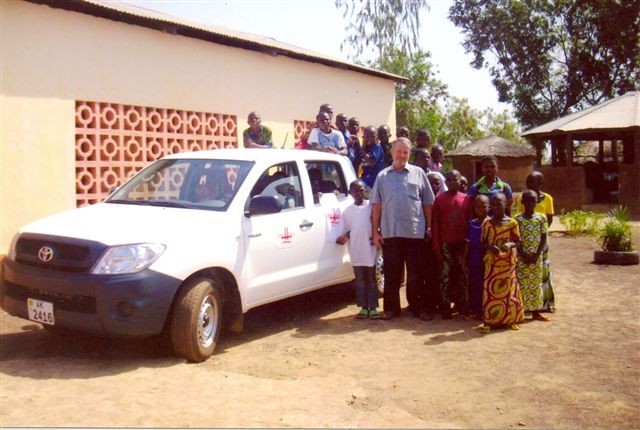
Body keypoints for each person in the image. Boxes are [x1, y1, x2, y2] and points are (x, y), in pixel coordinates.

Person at [371, 137, 435, 320]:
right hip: (391, 232)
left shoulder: (418, 173)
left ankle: (416, 307)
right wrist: (375, 232)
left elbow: (428, 204)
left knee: (415, 274)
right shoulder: (382, 176)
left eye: (405, 152)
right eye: (398, 151)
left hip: (414, 232)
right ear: (392, 152)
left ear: (409, 154)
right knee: (392, 273)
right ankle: (391, 309)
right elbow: (376, 206)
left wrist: (429, 227)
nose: (401, 155)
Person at [478, 193, 525, 333]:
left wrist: (509, 244)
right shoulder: (487, 223)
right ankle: (489, 321)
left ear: (506, 204)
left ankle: (510, 319)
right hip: (492, 263)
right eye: (493, 204)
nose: (496, 207)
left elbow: (518, 241)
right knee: (490, 291)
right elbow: (482, 243)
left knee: (509, 291)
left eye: (499, 204)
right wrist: (490, 248)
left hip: (507, 263)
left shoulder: (512, 223)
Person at [336, 180, 381, 319]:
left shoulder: (370, 207)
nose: (359, 193)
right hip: (356, 249)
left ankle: (373, 307)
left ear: (365, 191)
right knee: (360, 280)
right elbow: (349, 229)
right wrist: (345, 237)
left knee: (371, 279)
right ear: (350, 193)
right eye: (355, 190)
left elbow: (377, 224)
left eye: (361, 190)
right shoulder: (347, 212)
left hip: (369, 248)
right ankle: (363, 307)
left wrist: (376, 235)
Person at [432, 170, 472, 319]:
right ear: (446, 182)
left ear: (460, 181)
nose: (452, 182)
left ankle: (462, 305)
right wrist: (436, 246)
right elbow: (435, 224)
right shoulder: (440, 199)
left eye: (455, 179)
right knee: (445, 277)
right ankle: (445, 306)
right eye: (449, 180)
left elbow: (470, 222)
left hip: (462, 245)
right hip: (445, 245)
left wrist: (469, 245)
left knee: (462, 275)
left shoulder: (466, 199)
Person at [515, 170, 555, 312]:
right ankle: (525, 305)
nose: (530, 184)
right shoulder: (522, 198)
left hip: (540, 240)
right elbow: (519, 219)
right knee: (525, 274)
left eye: (534, 181)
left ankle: (544, 304)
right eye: (528, 181)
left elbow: (549, 219)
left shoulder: (548, 199)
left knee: (542, 272)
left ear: (540, 183)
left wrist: (539, 233)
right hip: (525, 241)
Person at [515, 190, 550, 322]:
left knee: (536, 284)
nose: (530, 203)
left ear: (537, 202)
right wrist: (522, 254)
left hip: (536, 257)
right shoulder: (517, 219)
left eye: (533, 201)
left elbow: (543, 237)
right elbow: (516, 239)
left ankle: (536, 312)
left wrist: (537, 254)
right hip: (522, 257)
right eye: (527, 201)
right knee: (522, 284)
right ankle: (521, 312)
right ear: (522, 202)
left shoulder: (541, 218)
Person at [464, 194, 490, 320]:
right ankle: (475, 310)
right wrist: (464, 259)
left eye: (483, 206)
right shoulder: (471, 224)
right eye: (477, 207)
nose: (480, 209)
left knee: (487, 285)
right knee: (475, 284)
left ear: (489, 207)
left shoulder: (492, 223)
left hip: (489, 260)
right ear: (474, 208)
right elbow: (467, 244)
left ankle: (488, 309)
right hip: (474, 259)